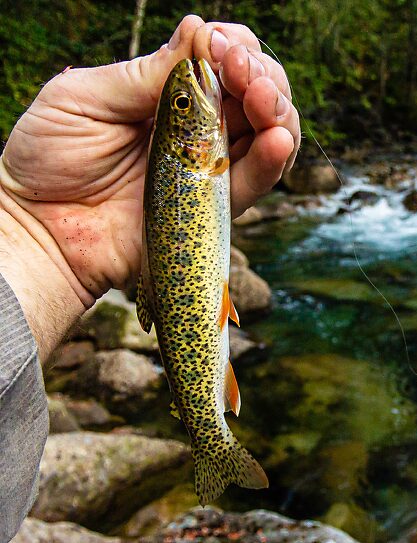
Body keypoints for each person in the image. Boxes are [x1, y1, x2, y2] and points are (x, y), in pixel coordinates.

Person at [0, 15, 300, 540]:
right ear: (185, 137)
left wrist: (32, 244)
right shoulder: (201, 160)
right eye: (183, 105)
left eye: (181, 105)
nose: (191, 95)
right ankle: (214, 442)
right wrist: (28, 231)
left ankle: (211, 440)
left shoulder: (200, 159)